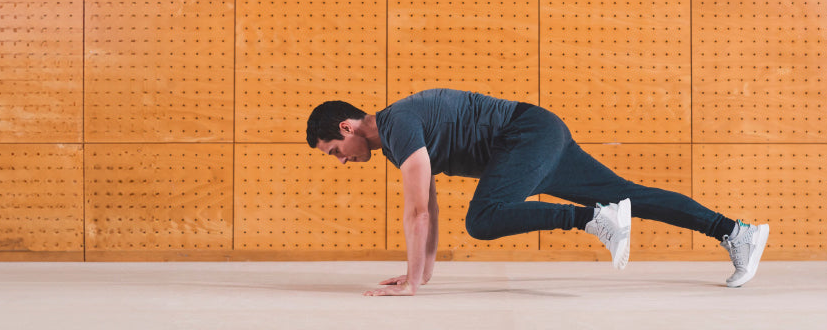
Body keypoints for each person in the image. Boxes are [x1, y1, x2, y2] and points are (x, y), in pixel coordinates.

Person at [306, 88, 769, 296]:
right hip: (534, 137)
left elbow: (418, 214)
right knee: (630, 195)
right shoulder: (396, 138)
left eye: (335, 150)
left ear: (347, 127)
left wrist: (409, 283)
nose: (342, 160)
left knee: (484, 219)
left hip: (526, 136)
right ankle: (737, 232)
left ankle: (591, 219)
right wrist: (420, 276)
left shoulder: (396, 123)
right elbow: (427, 205)